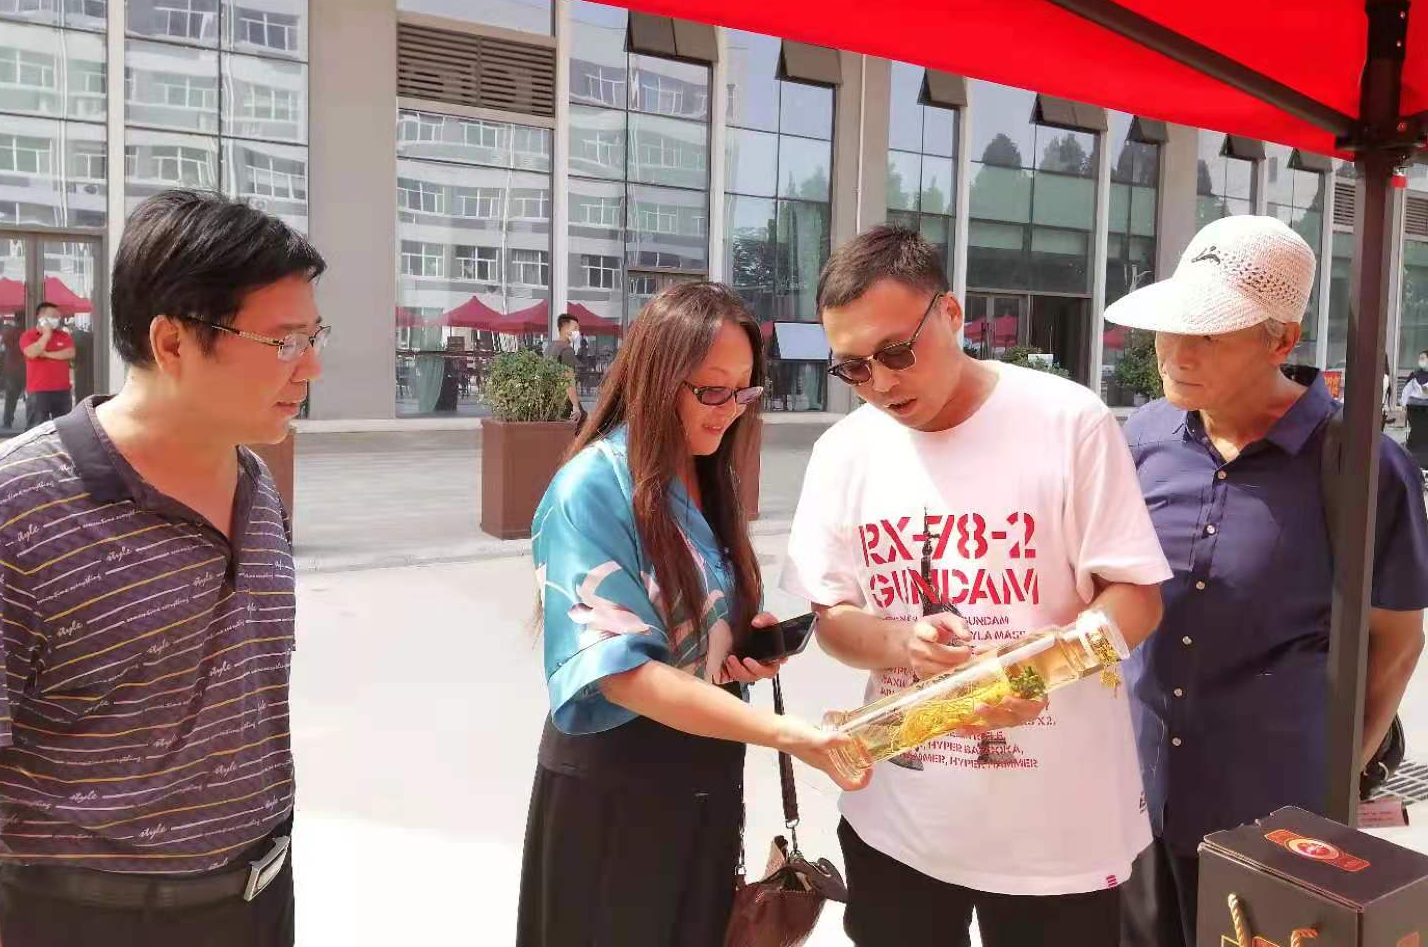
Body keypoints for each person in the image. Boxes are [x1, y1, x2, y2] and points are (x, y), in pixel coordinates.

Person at [781, 227, 1169, 947]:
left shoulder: (1067, 421)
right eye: (854, 368)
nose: (882, 383)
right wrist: (903, 641)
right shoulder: (844, 452)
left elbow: (1136, 598)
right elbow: (831, 618)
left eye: (897, 352)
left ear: (952, 313)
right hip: (899, 824)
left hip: (1057, 834)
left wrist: (1034, 671)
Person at [0, 189, 329, 947]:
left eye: (314, 336)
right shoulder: (19, 505)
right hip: (91, 917)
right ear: (172, 341)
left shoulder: (255, 483)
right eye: (283, 342)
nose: (310, 365)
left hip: (258, 896)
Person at [1104, 215, 1428, 947]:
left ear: (1281, 341)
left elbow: (1396, 643)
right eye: (1170, 329)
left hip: (1276, 819)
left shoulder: (1363, 466)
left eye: (1209, 335)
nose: (1176, 354)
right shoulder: (1146, 436)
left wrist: (1336, 781)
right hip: (1139, 800)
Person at [517, 282, 865, 947]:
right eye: (711, 391)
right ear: (655, 379)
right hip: (616, 788)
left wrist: (739, 644)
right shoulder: (591, 487)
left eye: (743, 392)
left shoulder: (705, 475)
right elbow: (620, 673)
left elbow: (694, 622)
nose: (729, 411)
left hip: (705, 773)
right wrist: (789, 736)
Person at [21, 302, 75, 427]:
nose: (57, 319)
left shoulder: (64, 335)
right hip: (39, 391)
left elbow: (70, 353)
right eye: (53, 316)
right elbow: (31, 352)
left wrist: (45, 354)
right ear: (41, 318)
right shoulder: (28, 336)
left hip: (62, 390)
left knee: (64, 429)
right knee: (36, 428)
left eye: (58, 316)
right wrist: (46, 335)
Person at [543, 312, 584, 426]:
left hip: (551, 402)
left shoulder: (550, 347)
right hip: (565, 403)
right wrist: (575, 407)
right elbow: (568, 380)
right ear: (566, 329)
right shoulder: (567, 350)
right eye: (575, 328)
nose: (577, 332)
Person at [1400, 348, 1428, 471]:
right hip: (1415, 410)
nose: (1420, 361)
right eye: (1420, 358)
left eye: (1423, 358)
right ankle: (1413, 459)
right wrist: (1404, 405)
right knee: (1417, 435)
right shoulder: (1414, 375)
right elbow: (1406, 392)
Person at [0, 314, 24, 430]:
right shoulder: (28, 332)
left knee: (11, 397)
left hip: (12, 369)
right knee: (32, 397)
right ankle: (33, 422)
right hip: (27, 368)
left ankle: (7, 421)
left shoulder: (9, 333)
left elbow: (3, 348)